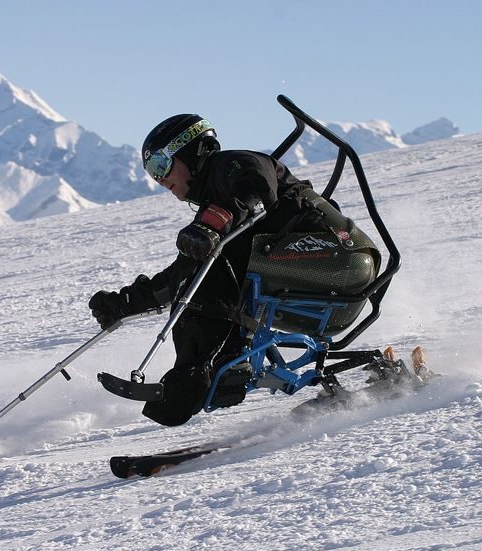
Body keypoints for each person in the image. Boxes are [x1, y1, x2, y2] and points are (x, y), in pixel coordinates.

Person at [89, 114, 379, 426]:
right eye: (151, 173)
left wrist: (212, 225)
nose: (160, 180)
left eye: (162, 166)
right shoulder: (216, 203)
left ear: (192, 151)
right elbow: (184, 274)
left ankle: (208, 368)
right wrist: (126, 303)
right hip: (316, 275)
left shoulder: (232, 164)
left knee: (213, 266)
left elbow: (255, 184)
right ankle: (212, 367)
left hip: (339, 257)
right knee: (204, 264)